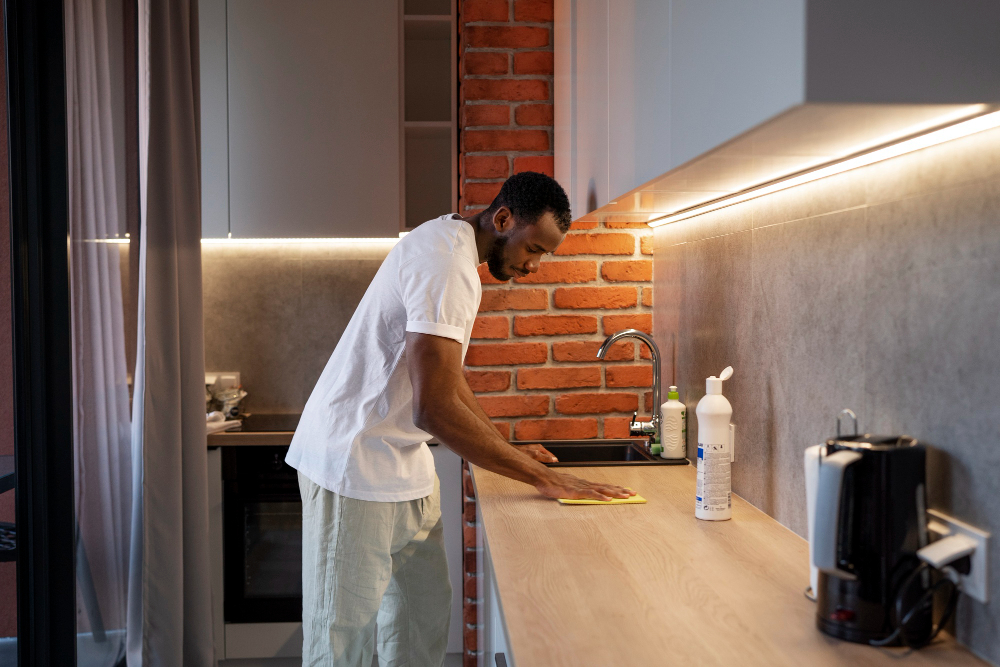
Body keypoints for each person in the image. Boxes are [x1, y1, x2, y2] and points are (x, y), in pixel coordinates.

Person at [285, 171, 635, 666]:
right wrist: (541, 476)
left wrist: (509, 450)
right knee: (342, 647)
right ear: (504, 218)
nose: (534, 267)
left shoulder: (451, 249)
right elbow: (434, 407)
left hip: (405, 468)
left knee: (419, 627)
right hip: (353, 465)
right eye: (533, 249)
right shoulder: (445, 262)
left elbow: (449, 381)